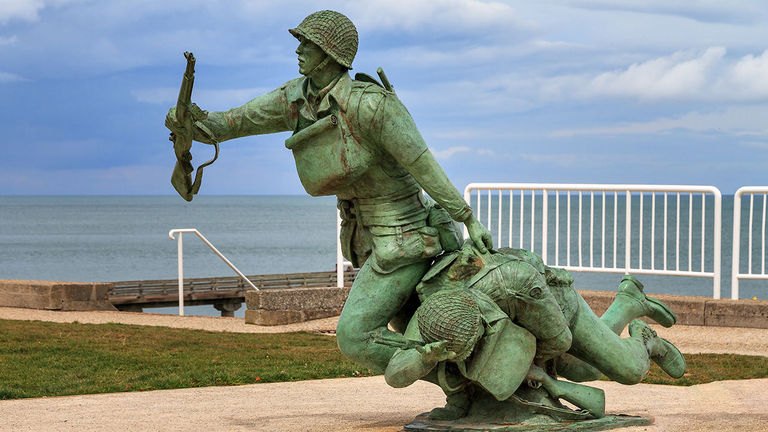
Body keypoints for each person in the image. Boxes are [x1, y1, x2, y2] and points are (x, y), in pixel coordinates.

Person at [164, 10, 493, 373]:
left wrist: (468, 219)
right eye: (300, 42)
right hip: (362, 239)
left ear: (329, 52)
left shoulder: (372, 105)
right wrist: (190, 123)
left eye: (307, 43)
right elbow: (230, 123)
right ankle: (466, 393)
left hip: (404, 236)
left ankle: (463, 386)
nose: (299, 50)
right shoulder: (296, 99)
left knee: (355, 335)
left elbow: (423, 165)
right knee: (407, 328)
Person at [382, 243, 686, 420]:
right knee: (586, 371)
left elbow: (561, 340)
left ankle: (646, 341)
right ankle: (628, 302)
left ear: (483, 317)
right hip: (520, 324)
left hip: (555, 308)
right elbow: (396, 374)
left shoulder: (514, 280)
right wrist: (424, 356)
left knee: (626, 370)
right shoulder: (429, 316)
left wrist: (531, 370)